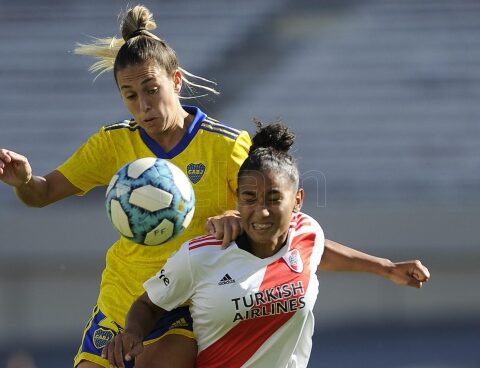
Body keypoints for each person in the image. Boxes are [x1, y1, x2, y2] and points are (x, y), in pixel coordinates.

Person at [0, 5, 249, 368]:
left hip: (187, 306)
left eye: (152, 89)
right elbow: (41, 194)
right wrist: (22, 181)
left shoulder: (226, 145)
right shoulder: (112, 144)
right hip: (121, 300)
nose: (144, 105)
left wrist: (234, 216)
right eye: (130, 95)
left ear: (175, 81)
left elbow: (270, 214)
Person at [103, 122, 430, 368]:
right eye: (249, 198)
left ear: (298, 200)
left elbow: (320, 250)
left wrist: (386, 268)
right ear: (237, 200)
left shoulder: (306, 233)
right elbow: (149, 304)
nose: (260, 211)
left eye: (274, 199)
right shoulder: (201, 255)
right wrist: (132, 332)